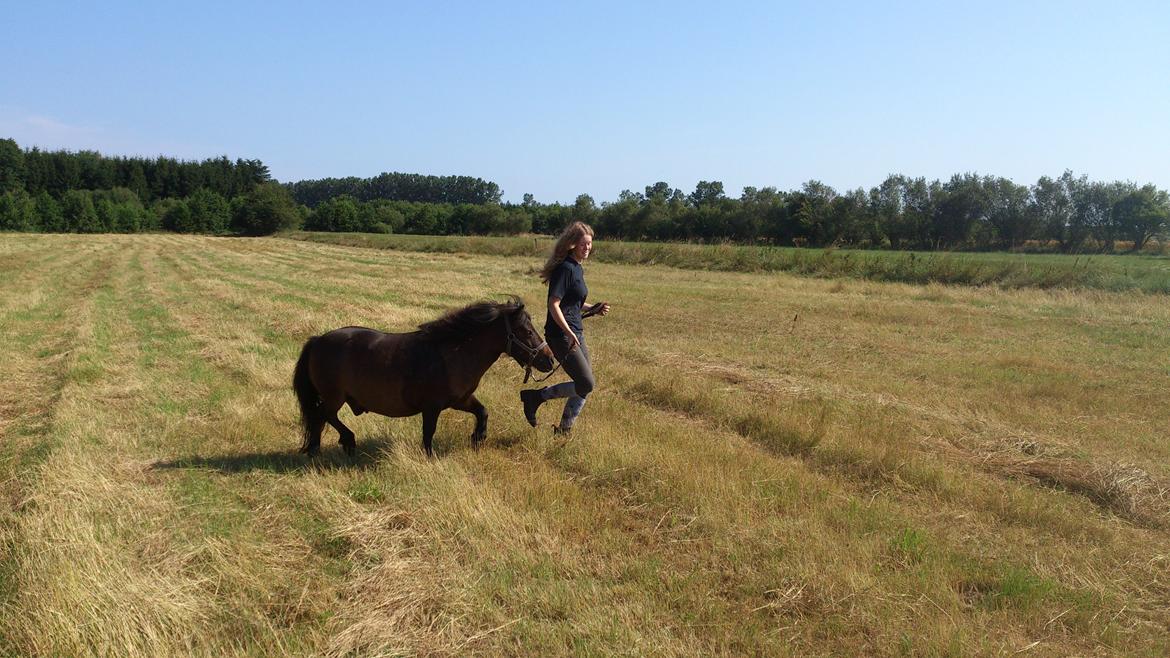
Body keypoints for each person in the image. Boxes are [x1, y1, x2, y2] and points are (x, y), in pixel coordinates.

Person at [521, 221, 611, 435]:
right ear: (572, 244)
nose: (587, 248)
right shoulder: (565, 269)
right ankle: (537, 397)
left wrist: (594, 307)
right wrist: (569, 333)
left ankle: (564, 429)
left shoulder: (577, 268)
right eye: (583, 244)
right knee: (586, 384)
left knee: (585, 383)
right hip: (561, 335)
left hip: (575, 333)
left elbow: (573, 303)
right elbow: (554, 304)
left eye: (589, 244)